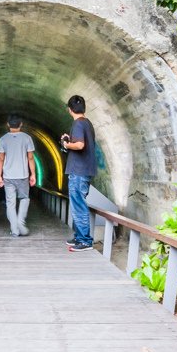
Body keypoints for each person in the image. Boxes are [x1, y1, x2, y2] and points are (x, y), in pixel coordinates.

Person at [61, 95, 97, 252]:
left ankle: (85, 240)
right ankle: (79, 236)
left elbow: (80, 145)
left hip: (78, 171)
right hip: (85, 170)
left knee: (79, 206)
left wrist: (67, 144)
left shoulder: (77, 123)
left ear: (70, 110)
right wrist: (70, 141)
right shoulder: (88, 123)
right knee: (77, 204)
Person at [0, 115, 36, 237]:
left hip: (8, 176)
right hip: (23, 175)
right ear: (21, 124)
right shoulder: (27, 138)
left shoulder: (3, 139)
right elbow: (30, 157)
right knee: (24, 198)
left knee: (10, 203)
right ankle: (20, 221)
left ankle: (14, 230)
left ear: (8, 124)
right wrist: (33, 174)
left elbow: (1, 159)